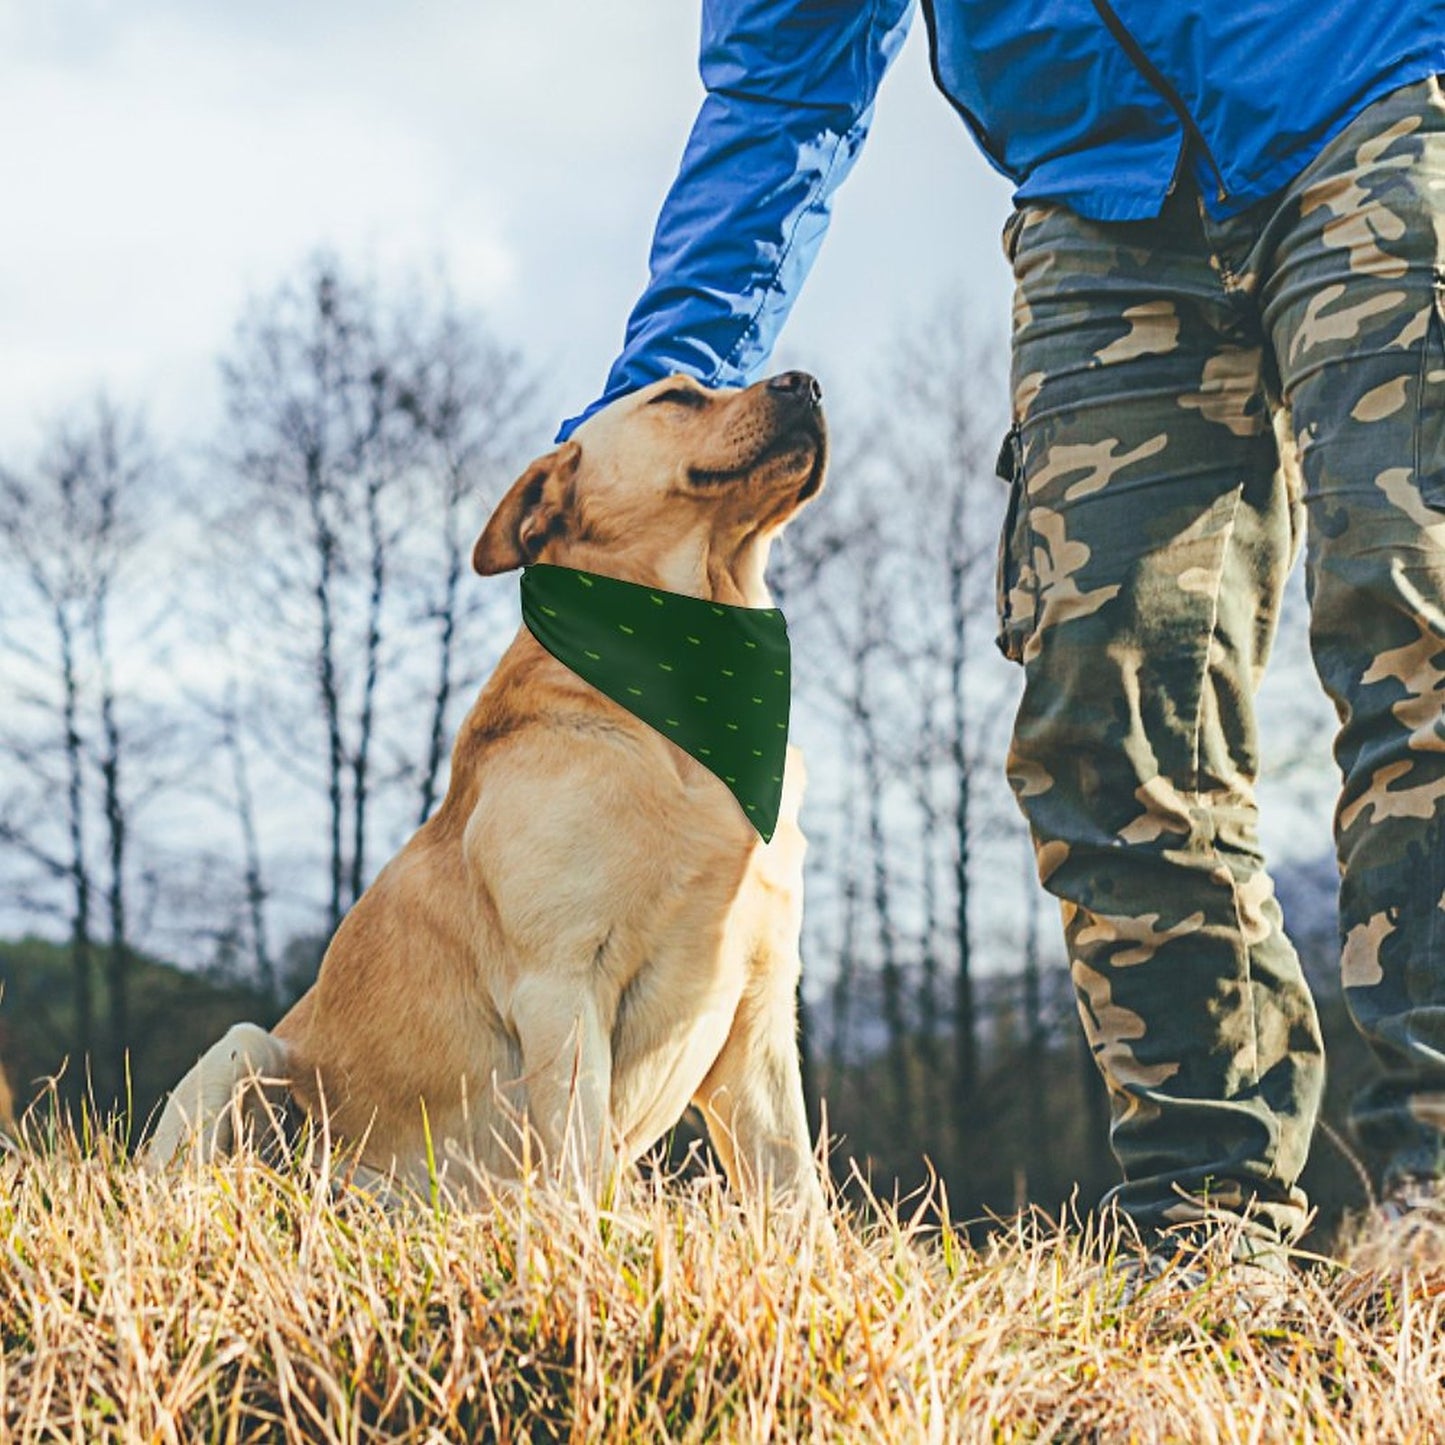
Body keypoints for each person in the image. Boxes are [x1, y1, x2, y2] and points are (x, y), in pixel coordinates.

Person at [559, 0, 1445, 1265]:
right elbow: (781, 88)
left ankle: (1433, 1202)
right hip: (1099, 196)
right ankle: (1205, 1229)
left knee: (1414, 625)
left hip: (1372, 84)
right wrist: (649, 417)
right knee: (1105, 718)